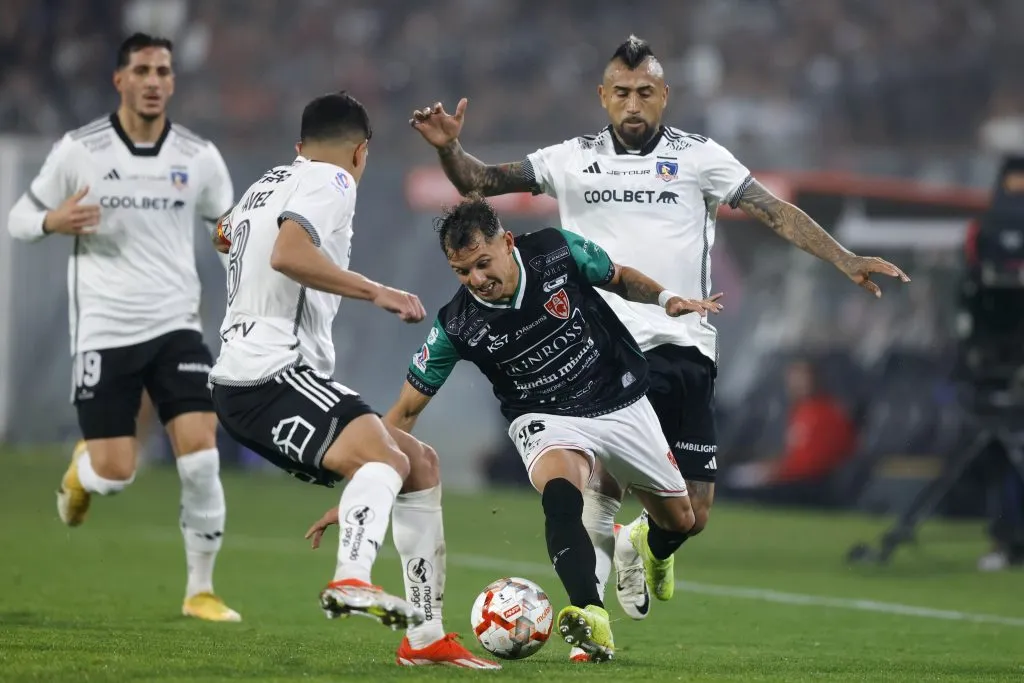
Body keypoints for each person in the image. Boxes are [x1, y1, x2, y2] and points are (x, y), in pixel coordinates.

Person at [408, 35, 911, 640]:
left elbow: (772, 209)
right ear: (603, 96)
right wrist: (450, 148)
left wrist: (844, 257)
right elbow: (482, 180)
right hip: (604, 346)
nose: (632, 103)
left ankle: (644, 544)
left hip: (685, 341)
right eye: (620, 92)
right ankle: (589, 616)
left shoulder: (699, 157)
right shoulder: (569, 158)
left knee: (692, 517)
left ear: (664, 96)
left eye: (645, 91)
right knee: (595, 483)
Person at [208, 92, 499, 669]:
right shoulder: (334, 181)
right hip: (271, 372)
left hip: (248, 379)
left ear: (299, 146)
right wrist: (379, 291)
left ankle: (425, 638)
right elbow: (288, 254)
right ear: (361, 152)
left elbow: (225, 233)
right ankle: (351, 578)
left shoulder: (268, 183)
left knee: (419, 464)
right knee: (385, 461)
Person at [383, 197, 722, 661]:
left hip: (618, 397)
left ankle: (642, 541)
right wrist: (371, 481)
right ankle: (591, 616)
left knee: (683, 521)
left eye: (483, 263)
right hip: (542, 416)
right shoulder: (458, 324)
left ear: (507, 243)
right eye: (462, 272)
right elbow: (403, 412)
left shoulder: (555, 251)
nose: (477, 280)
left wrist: (668, 300)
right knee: (561, 492)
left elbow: (618, 276)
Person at [6, 33, 240, 622]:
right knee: (115, 474)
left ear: (173, 81)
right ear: (120, 80)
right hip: (106, 329)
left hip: (176, 326)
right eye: (142, 70)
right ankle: (84, 472)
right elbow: (18, 218)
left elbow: (229, 232)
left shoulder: (198, 156)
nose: (154, 80)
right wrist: (54, 219)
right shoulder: (78, 150)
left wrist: (236, 259)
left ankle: (201, 591)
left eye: (163, 70)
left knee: (201, 458)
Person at [723, 359, 857, 505]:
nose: (794, 383)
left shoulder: (826, 413)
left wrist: (775, 472)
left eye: (800, 378)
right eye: (792, 377)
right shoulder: (801, 411)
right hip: (795, 477)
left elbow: (814, 463)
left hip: (812, 484)